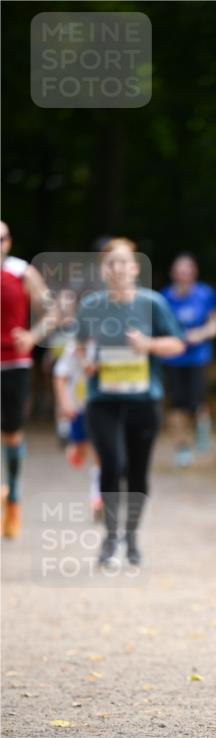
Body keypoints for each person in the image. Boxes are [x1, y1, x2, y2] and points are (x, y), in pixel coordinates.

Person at [76, 238, 185, 567]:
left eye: (125, 262)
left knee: (137, 473)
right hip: (103, 401)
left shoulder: (152, 304)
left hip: (142, 400)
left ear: (136, 268)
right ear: (103, 270)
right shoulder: (91, 306)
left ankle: (132, 537)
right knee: (112, 465)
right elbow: (79, 346)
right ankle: (110, 538)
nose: (118, 269)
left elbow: (177, 344)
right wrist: (87, 362)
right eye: (111, 263)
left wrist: (148, 345)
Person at [1, 220, 55, 538]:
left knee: (12, 435)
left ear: (9, 242)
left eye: (2, 238)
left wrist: (33, 335)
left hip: (13, 363)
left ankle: (14, 501)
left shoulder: (22, 273)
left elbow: (52, 311)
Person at [160, 254, 216, 467]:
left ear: (194, 273)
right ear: (173, 274)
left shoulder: (205, 294)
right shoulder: (165, 297)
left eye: (187, 270)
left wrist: (201, 333)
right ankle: (182, 448)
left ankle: (201, 431)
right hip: (173, 359)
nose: (183, 275)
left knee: (197, 403)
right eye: (180, 271)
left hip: (198, 357)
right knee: (177, 405)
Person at [52, 336, 102, 519]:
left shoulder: (108, 341)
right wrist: (64, 403)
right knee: (82, 450)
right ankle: (75, 448)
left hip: (101, 405)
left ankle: (97, 498)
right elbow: (59, 375)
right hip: (78, 406)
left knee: (99, 452)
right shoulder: (73, 344)